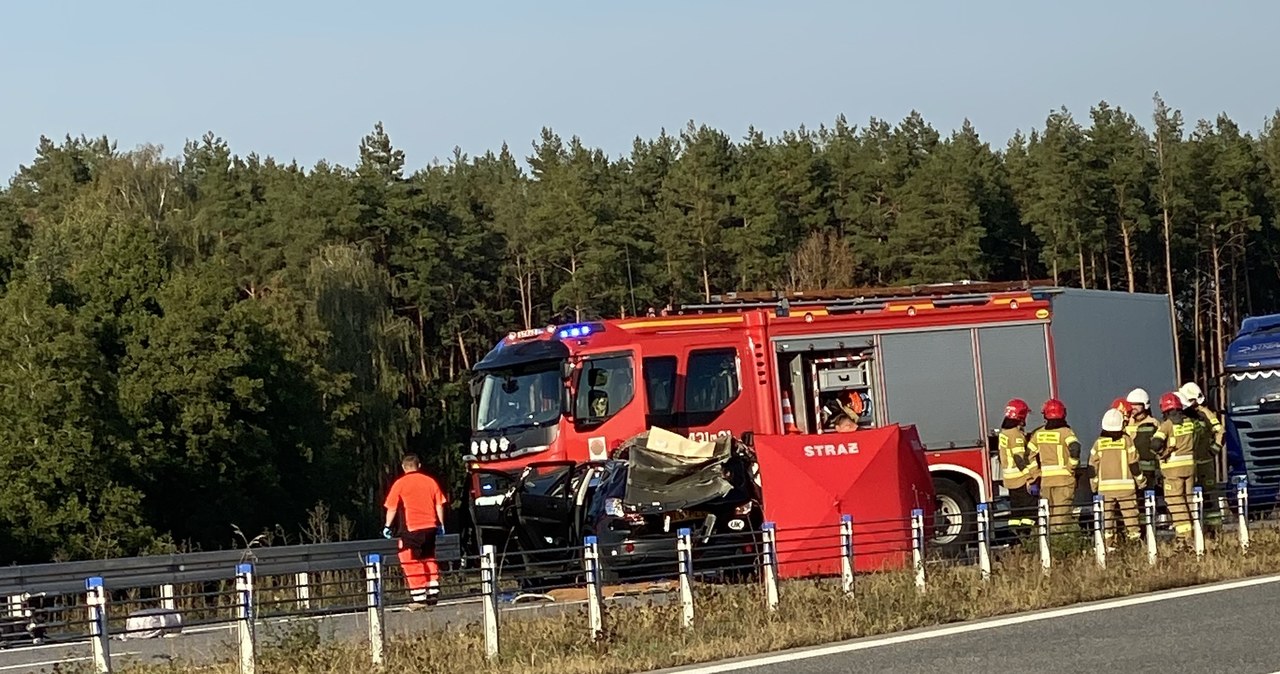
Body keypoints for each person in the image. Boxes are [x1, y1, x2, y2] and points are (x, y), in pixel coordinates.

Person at [383, 453, 448, 607]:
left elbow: (391, 508)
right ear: (419, 466)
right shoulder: (430, 482)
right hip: (430, 527)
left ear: (403, 468)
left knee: (410, 560)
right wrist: (441, 524)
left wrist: (387, 526)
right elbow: (439, 504)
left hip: (412, 528)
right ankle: (433, 590)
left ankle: (419, 597)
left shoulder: (400, 484)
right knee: (428, 557)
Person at [1089, 408, 1146, 545]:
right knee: (1131, 516)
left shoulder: (1099, 443)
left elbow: (1092, 467)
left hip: (1105, 489)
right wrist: (1141, 482)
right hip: (1126, 488)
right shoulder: (1126, 441)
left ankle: (1109, 546)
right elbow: (1133, 463)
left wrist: (1094, 485)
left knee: (1107, 519)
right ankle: (1134, 544)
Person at [1027, 398, 1080, 533]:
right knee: (1061, 519)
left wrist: (1036, 473)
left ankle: (1049, 548)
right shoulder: (1065, 432)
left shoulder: (1039, 434)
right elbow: (1075, 448)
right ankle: (1061, 546)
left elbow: (1028, 454)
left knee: (1047, 518)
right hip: (1064, 481)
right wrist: (1071, 467)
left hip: (1046, 482)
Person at [1151, 393, 1197, 544]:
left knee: (1175, 502)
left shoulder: (1167, 425)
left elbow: (1155, 444)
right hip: (1189, 468)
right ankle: (1197, 532)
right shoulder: (1189, 422)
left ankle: (1184, 537)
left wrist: (1162, 453)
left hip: (1173, 471)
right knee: (1189, 500)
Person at [1179, 381, 1224, 528]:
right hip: (1189, 465)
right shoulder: (1181, 416)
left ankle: (1214, 529)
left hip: (1205, 463)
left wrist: (1214, 449)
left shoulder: (1205, 413)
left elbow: (1220, 431)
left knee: (1209, 496)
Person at [997, 399, 1037, 538]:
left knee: (1016, 511)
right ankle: (1028, 536)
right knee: (1029, 512)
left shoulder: (1004, 433)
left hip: (1009, 479)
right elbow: (1019, 458)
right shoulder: (1015, 435)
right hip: (1020, 479)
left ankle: (1017, 537)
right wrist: (1029, 478)